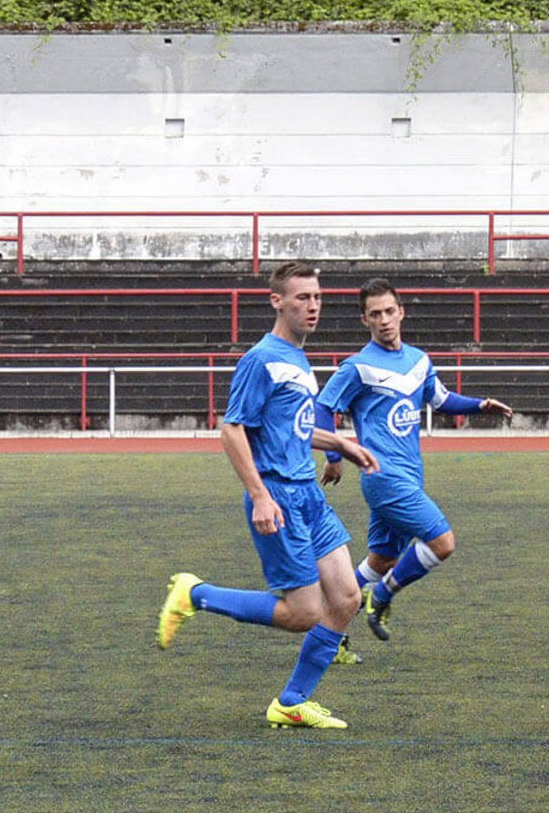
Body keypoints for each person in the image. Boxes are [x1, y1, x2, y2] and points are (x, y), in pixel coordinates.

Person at [155, 262, 378, 729]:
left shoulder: (297, 357)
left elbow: (289, 429)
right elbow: (232, 430)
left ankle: (292, 701)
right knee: (303, 613)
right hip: (277, 494)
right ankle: (195, 594)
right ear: (277, 301)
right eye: (302, 298)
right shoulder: (261, 358)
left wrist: (337, 443)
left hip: (309, 497)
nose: (313, 306)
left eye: (317, 297)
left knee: (346, 599)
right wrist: (258, 495)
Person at [317, 278, 513, 641]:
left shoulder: (418, 361)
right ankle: (383, 596)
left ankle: (328, 632)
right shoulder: (358, 367)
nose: (385, 320)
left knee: (381, 561)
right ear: (365, 321)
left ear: (401, 312)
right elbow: (323, 406)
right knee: (442, 543)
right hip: (382, 478)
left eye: (390, 311)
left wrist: (480, 405)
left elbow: (440, 400)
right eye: (375, 314)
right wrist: (334, 455)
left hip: (409, 476)